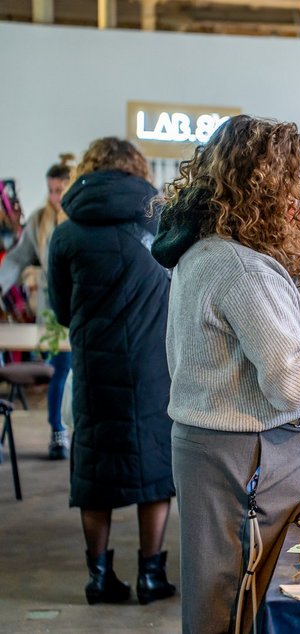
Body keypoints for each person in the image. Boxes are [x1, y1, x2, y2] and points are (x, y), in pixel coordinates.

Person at [152, 115, 300, 633]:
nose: (298, 194)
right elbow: (288, 381)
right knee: (230, 599)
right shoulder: (238, 265)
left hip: (229, 456)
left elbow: (252, 345)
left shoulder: (218, 252)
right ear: (265, 185)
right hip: (242, 461)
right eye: (292, 179)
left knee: (224, 590)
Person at [47, 138, 176, 605]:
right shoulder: (160, 221)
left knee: (95, 471)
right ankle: (150, 576)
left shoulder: (66, 233)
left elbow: (61, 309)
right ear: (136, 170)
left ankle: (99, 578)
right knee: (154, 470)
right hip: (151, 366)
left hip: (94, 365)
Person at [0, 156, 73, 459]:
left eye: (60, 190)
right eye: (51, 190)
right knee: (59, 368)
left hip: (78, 308)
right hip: (50, 312)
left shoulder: (78, 219)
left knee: (70, 371)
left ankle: (65, 429)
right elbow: (17, 259)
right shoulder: (39, 220)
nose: (55, 197)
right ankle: (58, 430)